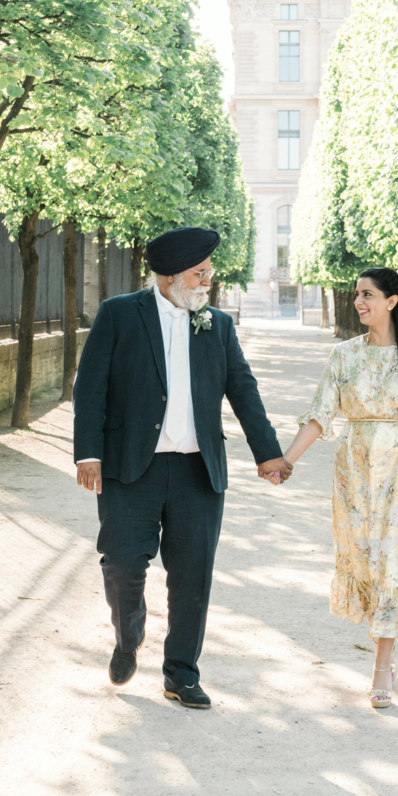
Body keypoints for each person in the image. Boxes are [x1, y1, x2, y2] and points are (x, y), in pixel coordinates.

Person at [73, 226, 292, 709]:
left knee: (193, 577)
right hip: (131, 469)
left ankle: (181, 673)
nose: (208, 280)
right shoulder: (118, 315)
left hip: (198, 472)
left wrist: (268, 452)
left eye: (209, 271)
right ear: (171, 276)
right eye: (200, 272)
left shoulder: (218, 324)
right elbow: (90, 387)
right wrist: (88, 451)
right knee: (123, 565)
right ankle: (128, 637)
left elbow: (244, 389)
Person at [281, 266, 398, 709]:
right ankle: (386, 647)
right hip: (354, 473)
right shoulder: (344, 356)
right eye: (356, 295)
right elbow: (320, 414)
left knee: (394, 560)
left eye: (367, 295)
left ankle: (382, 666)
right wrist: (287, 460)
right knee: (364, 557)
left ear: (391, 301)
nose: (359, 302)